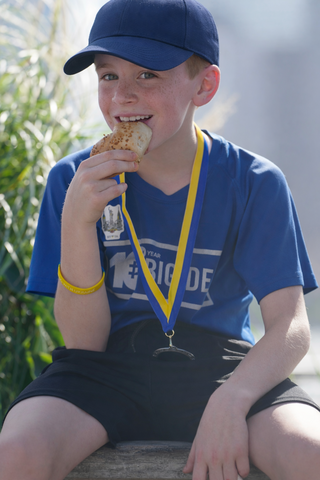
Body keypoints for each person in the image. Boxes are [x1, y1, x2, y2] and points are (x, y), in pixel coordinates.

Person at [1, 0, 320, 479]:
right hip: (107, 368)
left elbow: (291, 326)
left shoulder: (253, 180)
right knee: (18, 449)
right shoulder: (73, 180)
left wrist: (232, 399)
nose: (122, 96)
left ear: (204, 84)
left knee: (308, 449)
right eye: (108, 77)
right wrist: (78, 222)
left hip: (222, 366)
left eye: (147, 75)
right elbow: (84, 344)